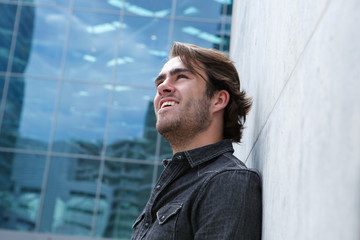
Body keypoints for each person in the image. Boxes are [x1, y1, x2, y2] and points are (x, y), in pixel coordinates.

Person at [131, 42, 262, 240]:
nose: (162, 87)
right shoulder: (175, 184)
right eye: (159, 83)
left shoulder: (226, 181)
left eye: (181, 76)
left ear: (218, 100)